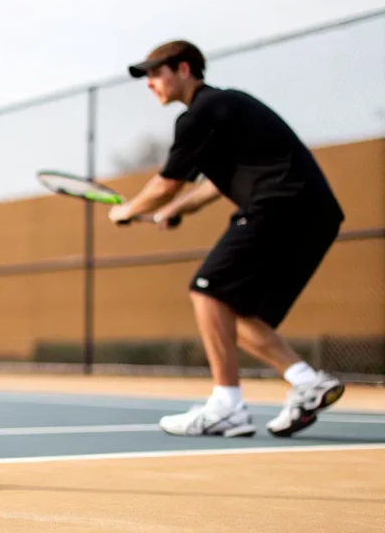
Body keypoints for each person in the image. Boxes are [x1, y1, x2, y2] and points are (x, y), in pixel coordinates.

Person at [109, 39, 347, 438]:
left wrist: (127, 210)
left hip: (280, 206)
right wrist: (175, 211)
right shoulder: (225, 108)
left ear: (183, 69)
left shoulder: (200, 113)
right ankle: (307, 383)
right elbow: (213, 185)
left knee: (207, 291)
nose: (150, 82)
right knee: (233, 315)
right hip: (315, 215)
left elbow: (166, 183)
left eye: (155, 72)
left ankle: (227, 405)